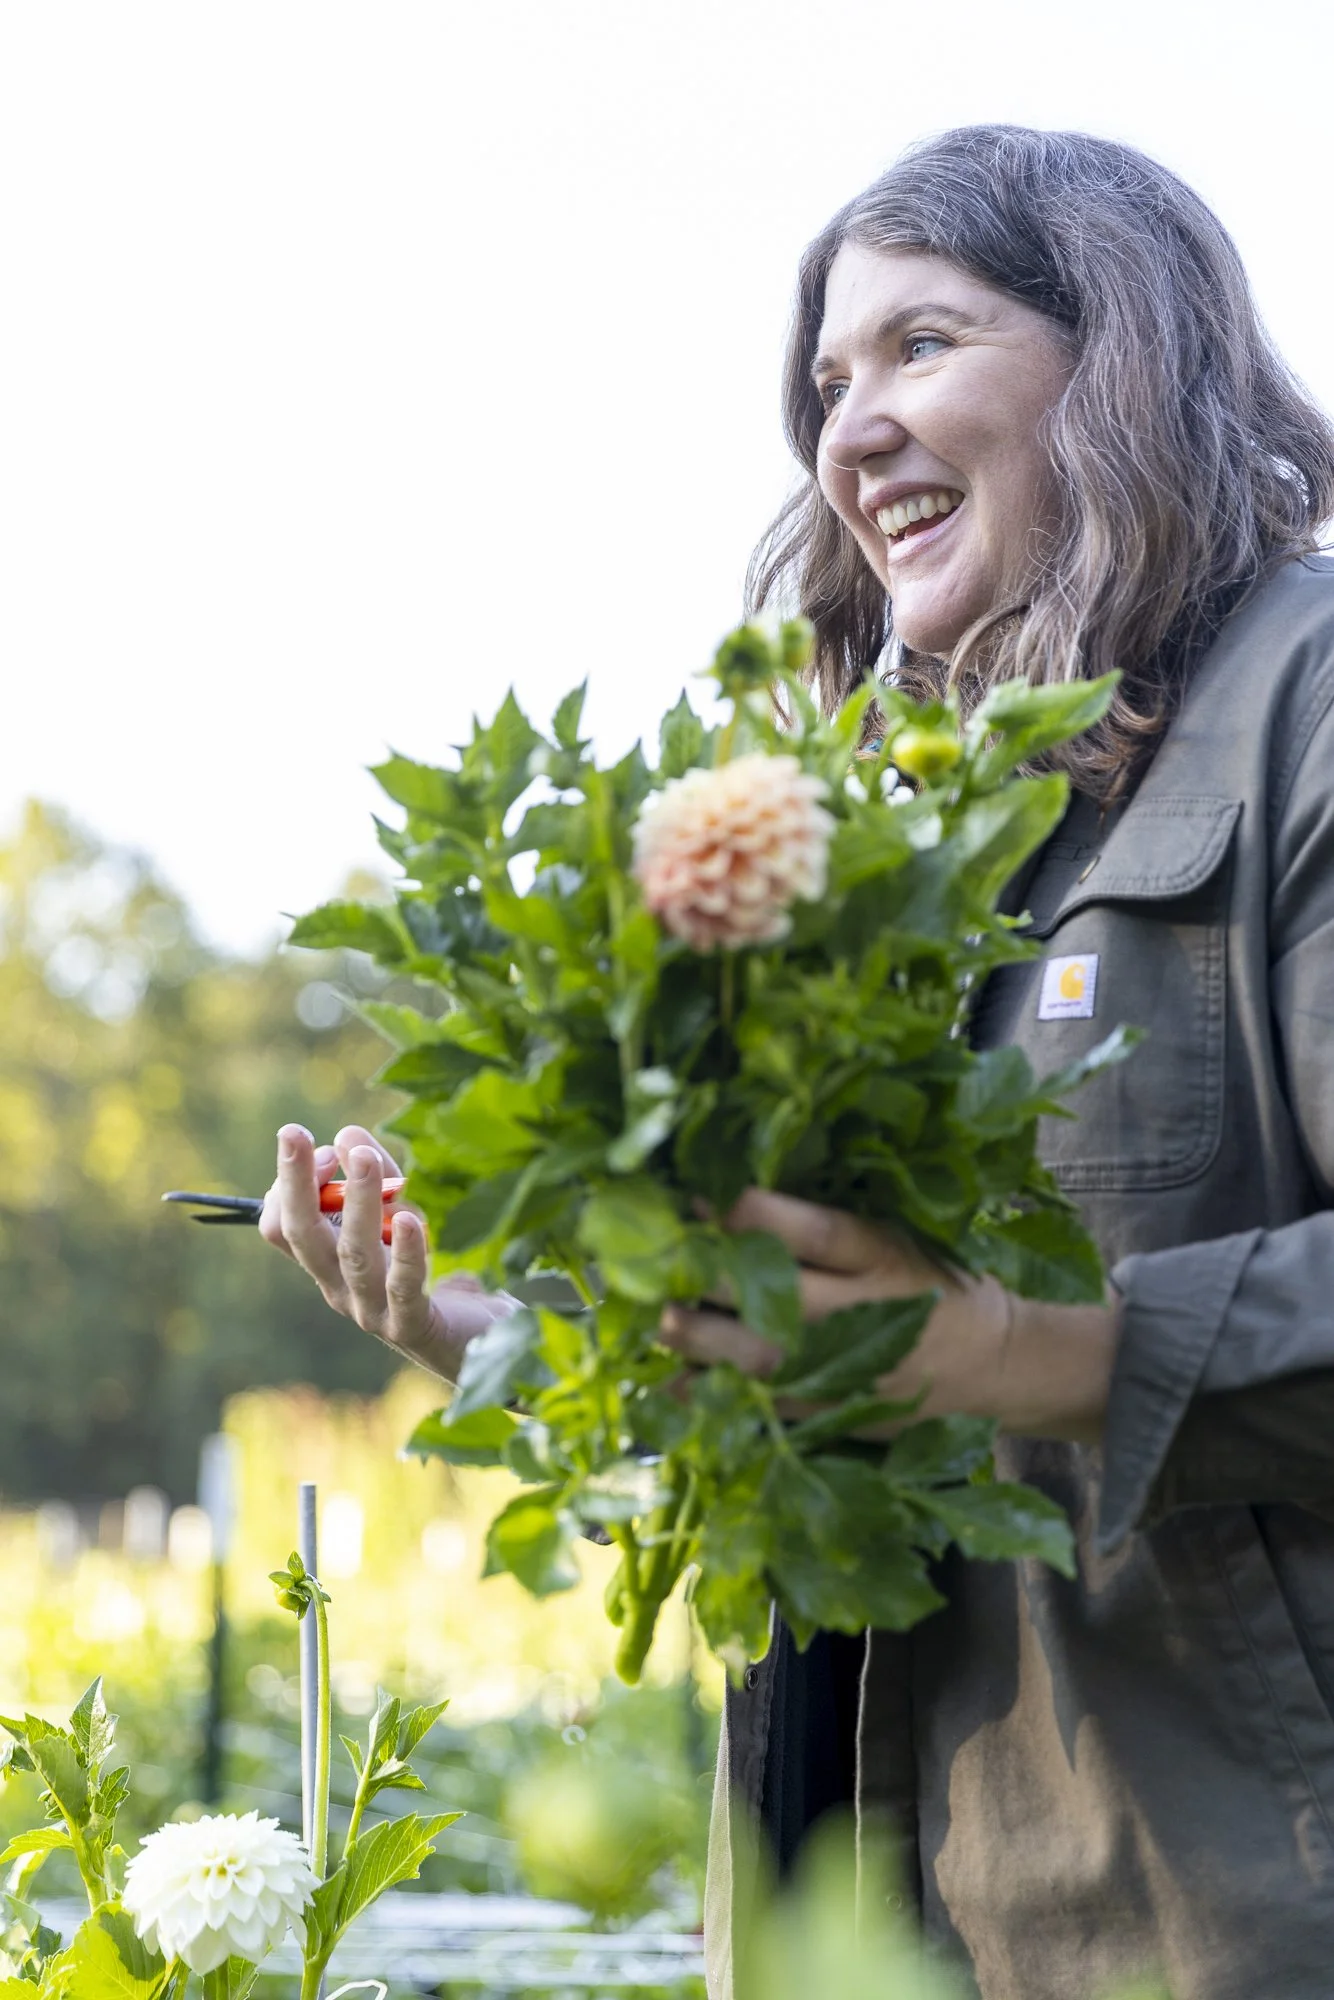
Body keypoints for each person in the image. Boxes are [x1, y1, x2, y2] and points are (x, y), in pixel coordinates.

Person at [260, 124, 1334, 2000]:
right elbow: (827, 1409)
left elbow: (969, 1345)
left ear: (1126, 357)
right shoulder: (879, 833)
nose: (846, 433)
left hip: (1225, 1917)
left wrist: (1033, 1350)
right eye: (826, 386)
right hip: (880, 1912)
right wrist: (491, 1332)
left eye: (922, 345)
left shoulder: (1304, 705)